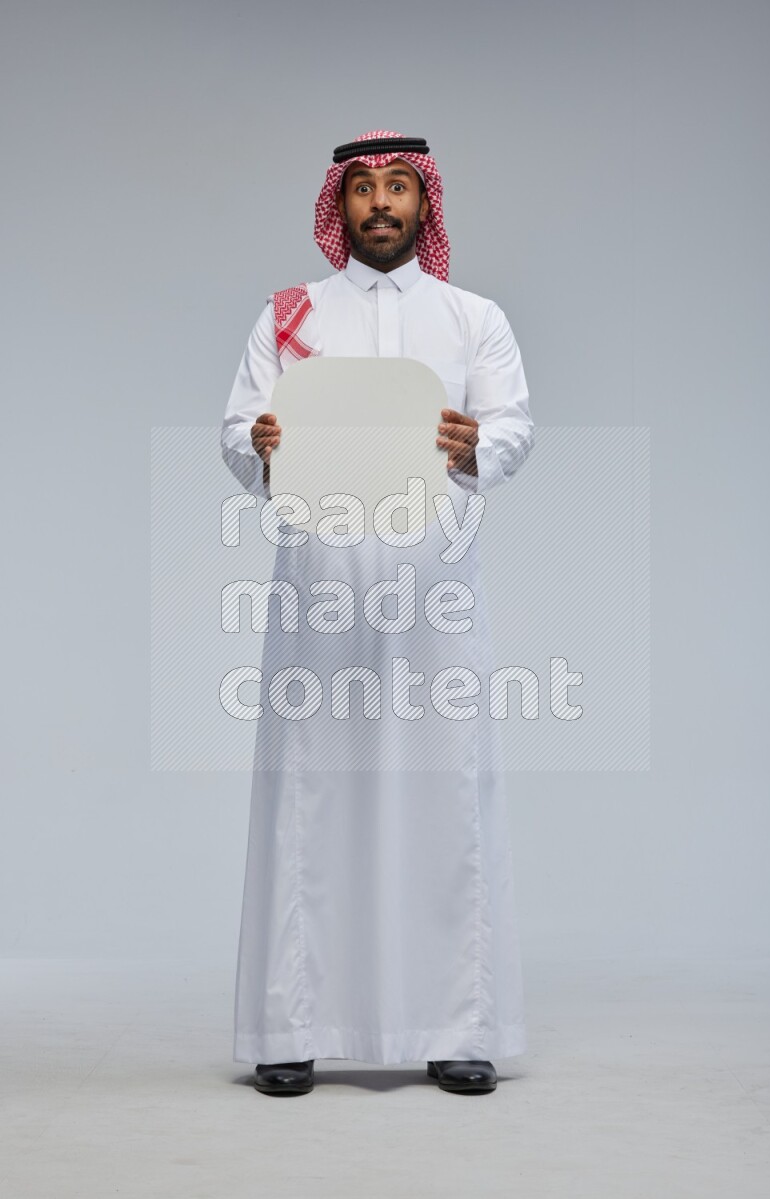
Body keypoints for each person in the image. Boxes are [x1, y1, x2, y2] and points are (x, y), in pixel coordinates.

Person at [220, 130, 535, 1096]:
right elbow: (237, 431)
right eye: (363, 189)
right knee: (312, 794)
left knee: (444, 792)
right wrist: (258, 442)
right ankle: (292, 1027)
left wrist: (479, 444)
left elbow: (514, 426)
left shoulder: (474, 318)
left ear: (424, 203)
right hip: (319, 594)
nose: (382, 203)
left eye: (399, 186)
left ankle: (456, 1026)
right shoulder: (290, 316)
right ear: (340, 207)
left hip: (433, 594)